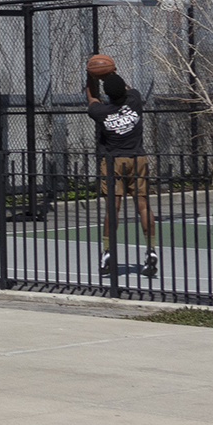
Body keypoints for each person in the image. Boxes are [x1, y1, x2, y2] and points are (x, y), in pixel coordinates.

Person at [85, 60, 156, 278]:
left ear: (107, 93)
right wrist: (112, 71)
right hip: (137, 158)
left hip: (113, 161)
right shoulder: (135, 100)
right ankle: (151, 251)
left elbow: (91, 97)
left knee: (113, 210)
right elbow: (126, 87)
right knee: (143, 205)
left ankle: (107, 253)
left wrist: (91, 75)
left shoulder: (100, 112)